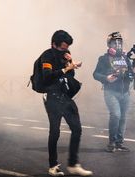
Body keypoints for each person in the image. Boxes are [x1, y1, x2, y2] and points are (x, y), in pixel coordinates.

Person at [40, 30, 93, 176]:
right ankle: (53, 166)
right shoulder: (47, 56)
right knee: (55, 131)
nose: (66, 50)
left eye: (67, 47)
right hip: (51, 97)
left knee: (77, 128)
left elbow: (70, 75)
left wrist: (71, 63)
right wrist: (65, 68)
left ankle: (73, 164)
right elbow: (47, 77)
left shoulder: (66, 53)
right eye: (63, 47)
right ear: (53, 44)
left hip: (65, 96)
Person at [93, 32, 135, 153]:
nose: (117, 45)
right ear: (109, 44)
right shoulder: (104, 58)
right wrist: (106, 78)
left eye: (119, 42)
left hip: (125, 92)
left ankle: (119, 143)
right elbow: (95, 74)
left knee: (123, 118)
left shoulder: (125, 58)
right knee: (116, 115)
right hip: (110, 92)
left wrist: (134, 72)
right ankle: (111, 143)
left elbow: (130, 75)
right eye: (114, 42)